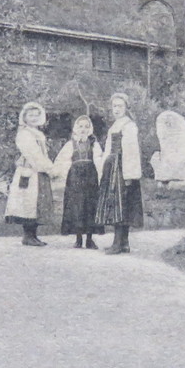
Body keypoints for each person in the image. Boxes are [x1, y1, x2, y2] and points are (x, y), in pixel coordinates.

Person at [94, 92, 145, 254]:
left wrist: (129, 175)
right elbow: (109, 149)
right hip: (112, 167)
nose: (116, 109)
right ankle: (122, 243)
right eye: (114, 106)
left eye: (120, 106)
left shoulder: (128, 126)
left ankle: (120, 243)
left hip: (122, 169)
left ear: (126, 108)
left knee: (121, 204)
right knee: (117, 204)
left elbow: (131, 152)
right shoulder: (115, 125)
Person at [4, 101, 55, 247]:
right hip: (29, 172)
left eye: (36, 115)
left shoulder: (37, 133)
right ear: (24, 117)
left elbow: (42, 153)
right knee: (28, 203)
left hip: (38, 172)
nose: (33, 118)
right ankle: (27, 235)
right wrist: (47, 167)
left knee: (36, 204)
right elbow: (33, 154)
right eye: (30, 115)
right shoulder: (24, 134)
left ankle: (33, 235)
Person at [54, 114, 105, 249]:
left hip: (90, 177)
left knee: (90, 206)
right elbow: (62, 160)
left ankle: (89, 239)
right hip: (75, 178)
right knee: (76, 206)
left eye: (86, 126)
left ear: (90, 129)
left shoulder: (94, 144)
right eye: (80, 126)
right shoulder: (71, 144)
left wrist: (101, 176)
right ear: (76, 128)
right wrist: (62, 174)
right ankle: (78, 238)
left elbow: (99, 161)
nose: (83, 129)